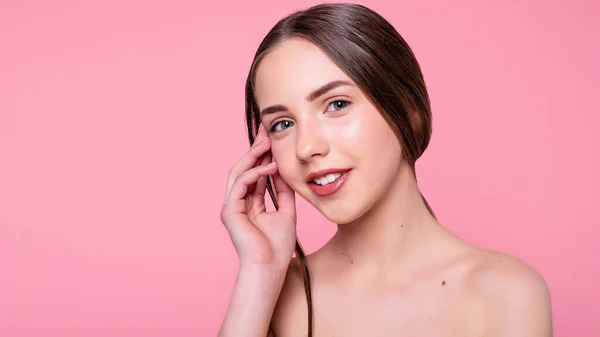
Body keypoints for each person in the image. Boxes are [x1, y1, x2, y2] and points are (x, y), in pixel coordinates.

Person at [218, 3, 553, 336]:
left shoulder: (505, 295)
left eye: (337, 104)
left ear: (407, 109)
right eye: (283, 124)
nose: (306, 147)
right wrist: (258, 274)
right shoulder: (272, 294)